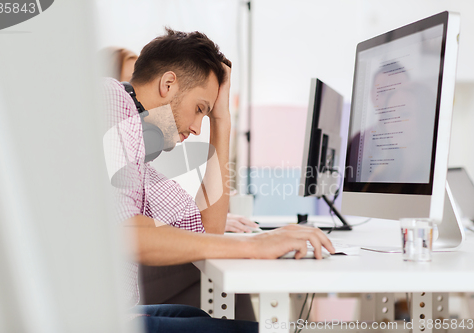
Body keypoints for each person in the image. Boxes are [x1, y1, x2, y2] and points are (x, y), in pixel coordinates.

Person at [102, 28, 334, 333]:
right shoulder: (111, 101)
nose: (198, 128)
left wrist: (220, 120)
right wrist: (255, 246)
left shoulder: (139, 153)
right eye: (200, 109)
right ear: (168, 83)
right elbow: (126, 234)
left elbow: (208, 230)